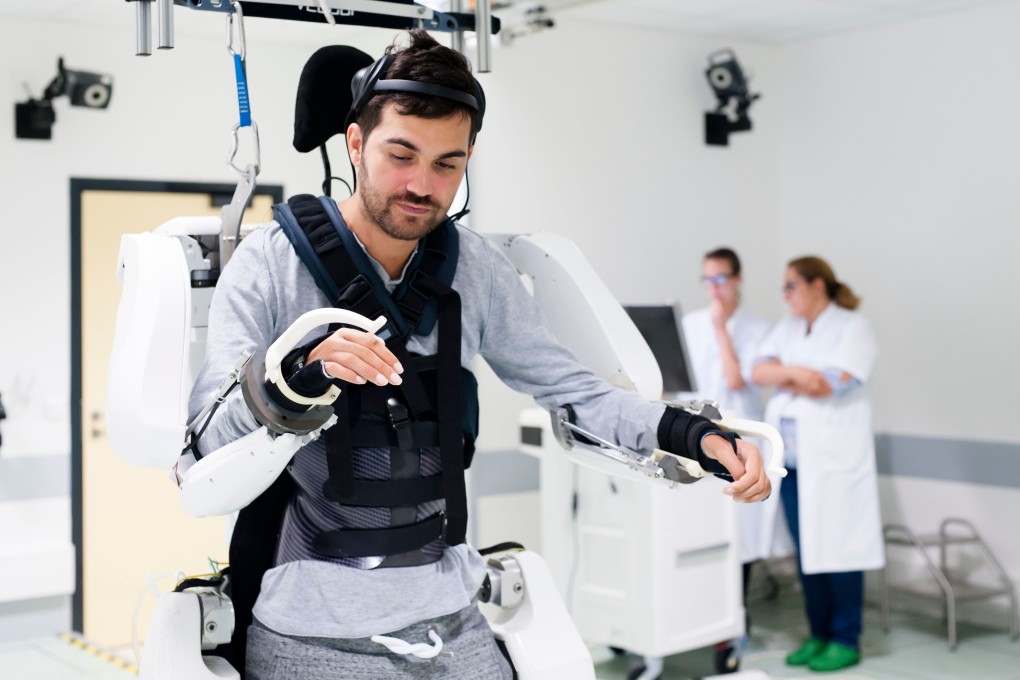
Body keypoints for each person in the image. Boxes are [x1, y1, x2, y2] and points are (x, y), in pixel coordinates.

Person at [189, 29, 771, 680]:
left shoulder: (472, 269)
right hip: (311, 634)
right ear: (355, 144)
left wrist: (692, 433)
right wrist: (295, 379)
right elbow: (203, 444)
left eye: (447, 163)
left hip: (451, 621)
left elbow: (575, 390)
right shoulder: (272, 263)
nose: (422, 185)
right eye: (400, 154)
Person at [751, 256, 882, 672]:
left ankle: (846, 637)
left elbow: (826, 384)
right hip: (792, 464)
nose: (786, 295)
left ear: (818, 286)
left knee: (839, 549)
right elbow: (758, 371)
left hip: (834, 464)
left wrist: (786, 373)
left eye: (792, 286)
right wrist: (797, 374)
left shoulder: (852, 327)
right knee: (808, 552)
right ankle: (819, 634)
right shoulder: (788, 327)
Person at [682, 247, 772, 674]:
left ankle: (734, 627)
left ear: (737, 280)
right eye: (707, 280)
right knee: (704, 534)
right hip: (703, 443)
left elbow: (737, 379)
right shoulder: (690, 324)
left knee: (744, 537)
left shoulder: (756, 329)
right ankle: (707, 621)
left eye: (720, 279)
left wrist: (722, 331)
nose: (713, 289)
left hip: (743, 441)